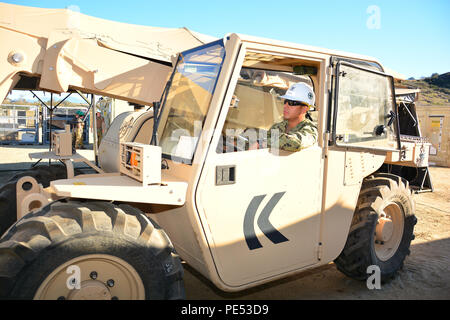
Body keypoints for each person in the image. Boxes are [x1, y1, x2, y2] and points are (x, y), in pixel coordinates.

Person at [266, 82, 318, 152]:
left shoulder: (310, 130)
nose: (285, 106)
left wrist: (264, 142)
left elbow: (296, 143)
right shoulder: (277, 127)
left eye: (292, 103)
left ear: (305, 108)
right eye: (285, 102)